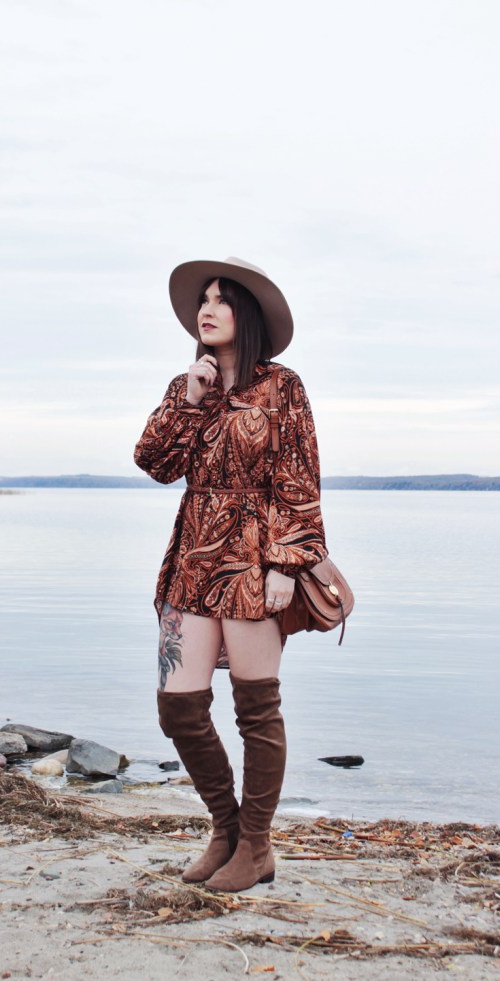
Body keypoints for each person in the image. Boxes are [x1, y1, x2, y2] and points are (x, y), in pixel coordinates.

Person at [134, 257, 327, 892]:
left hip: (255, 558)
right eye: (203, 300)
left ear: (247, 314)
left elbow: (299, 480)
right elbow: (155, 463)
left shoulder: (283, 387)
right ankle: (227, 827)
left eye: (221, 300)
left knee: (256, 709)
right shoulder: (188, 383)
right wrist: (190, 400)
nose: (207, 309)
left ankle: (256, 847)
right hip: (193, 557)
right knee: (179, 709)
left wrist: (285, 563)